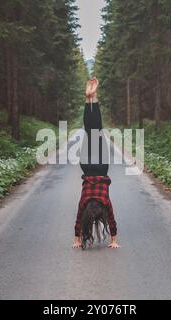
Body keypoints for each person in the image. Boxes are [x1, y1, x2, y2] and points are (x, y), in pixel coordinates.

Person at [73, 78, 120, 249]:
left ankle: (93, 96)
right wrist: (76, 238)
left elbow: (112, 219)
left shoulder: (104, 201)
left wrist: (114, 240)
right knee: (90, 131)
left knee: (96, 130)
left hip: (101, 169)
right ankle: (89, 98)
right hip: (87, 167)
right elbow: (79, 217)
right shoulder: (84, 202)